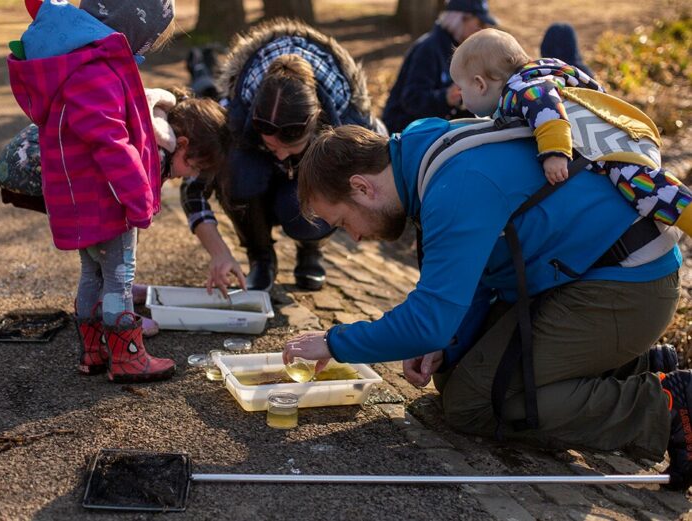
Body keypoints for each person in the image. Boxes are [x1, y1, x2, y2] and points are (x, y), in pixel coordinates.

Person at [282, 121, 692, 491]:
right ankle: (631, 366)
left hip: (625, 288)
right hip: (580, 277)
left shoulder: (453, 188)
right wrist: (450, 341)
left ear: (362, 187)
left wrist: (334, 343)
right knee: (454, 372)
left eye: (342, 223)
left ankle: (665, 406)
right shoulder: (421, 149)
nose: (352, 238)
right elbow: (478, 268)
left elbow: (427, 321)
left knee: (472, 405)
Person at [7, 0, 177, 383]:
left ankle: (94, 350)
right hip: (107, 199)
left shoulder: (74, 63)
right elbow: (111, 143)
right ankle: (129, 358)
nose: (142, 51)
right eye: (146, 41)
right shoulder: (95, 69)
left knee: (91, 274)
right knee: (118, 277)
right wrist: (138, 198)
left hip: (80, 198)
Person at [195, 18, 384, 292]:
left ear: (316, 125)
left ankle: (310, 249)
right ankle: (260, 257)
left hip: (311, 172)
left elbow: (377, 156)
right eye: (272, 146)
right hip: (259, 169)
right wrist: (218, 250)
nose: (281, 156)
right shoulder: (240, 103)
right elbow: (198, 181)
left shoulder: (346, 114)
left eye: (290, 147)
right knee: (237, 175)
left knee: (306, 209)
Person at [449, 28, 692, 234]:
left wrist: (555, 152)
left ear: (480, 84)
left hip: (615, 148)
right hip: (615, 133)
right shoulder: (544, 73)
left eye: (461, 88)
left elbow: (547, 111)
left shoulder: (522, 89)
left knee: (646, 191)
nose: (460, 96)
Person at [381, 0, 497, 134]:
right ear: (462, 19)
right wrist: (445, 97)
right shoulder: (428, 49)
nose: (483, 29)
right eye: (480, 23)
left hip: (434, 127)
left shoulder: (460, 47)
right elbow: (411, 100)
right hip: (405, 131)